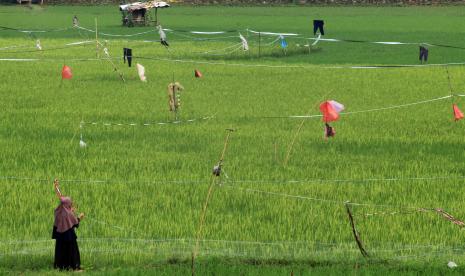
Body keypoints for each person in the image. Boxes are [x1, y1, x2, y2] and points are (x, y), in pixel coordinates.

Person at [52, 179, 84, 271]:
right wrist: (79, 217)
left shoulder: (59, 211)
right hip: (69, 237)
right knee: (72, 251)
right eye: (70, 203)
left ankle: (61, 267)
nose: (72, 203)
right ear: (68, 204)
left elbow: (61, 197)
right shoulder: (69, 214)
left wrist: (56, 186)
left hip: (60, 237)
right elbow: (75, 222)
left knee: (61, 251)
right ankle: (75, 267)